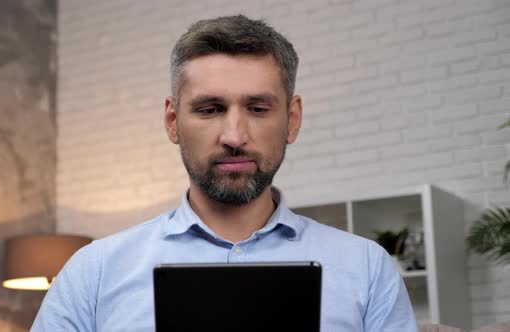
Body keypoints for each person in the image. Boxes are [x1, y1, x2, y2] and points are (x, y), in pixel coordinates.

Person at [31, 15, 418, 331]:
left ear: (292, 120)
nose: (235, 137)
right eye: (210, 109)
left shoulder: (367, 268)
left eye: (258, 108)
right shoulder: (93, 271)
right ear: (172, 121)